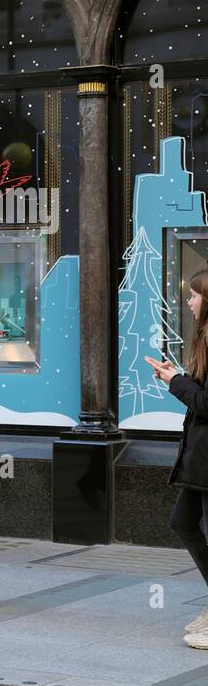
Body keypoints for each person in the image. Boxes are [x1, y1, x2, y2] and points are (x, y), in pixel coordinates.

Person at [148, 268, 208, 649]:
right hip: (200, 459)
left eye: (193, 295)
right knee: (183, 521)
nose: (188, 302)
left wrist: (176, 383)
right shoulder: (203, 338)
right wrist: (179, 377)